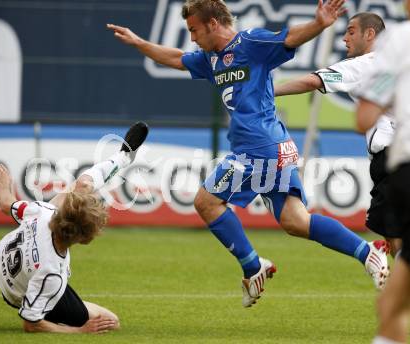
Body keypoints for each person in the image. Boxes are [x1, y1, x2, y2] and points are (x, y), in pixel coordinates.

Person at [107, 0, 389, 308]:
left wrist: (319, 24)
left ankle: (253, 266)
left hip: (259, 147)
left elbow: (288, 38)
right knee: (296, 221)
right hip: (273, 145)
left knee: (206, 201)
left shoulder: (251, 42)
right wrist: (139, 43)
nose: (192, 38)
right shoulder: (212, 59)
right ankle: (368, 252)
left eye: (194, 30)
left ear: (213, 24)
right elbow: (176, 59)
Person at [0, 122, 149, 333]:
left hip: (5, 257)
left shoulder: (42, 212)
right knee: (111, 321)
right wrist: (80, 330)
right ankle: (65, 308)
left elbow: (5, 203)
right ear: (85, 239)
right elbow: (31, 323)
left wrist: (3, 183)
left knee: (82, 186)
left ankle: (122, 158)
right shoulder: (53, 274)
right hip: (15, 291)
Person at [274, 12, 401, 257]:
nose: (344, 38)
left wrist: (266, 92)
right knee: (394, 234)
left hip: (393, 159)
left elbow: (313, 81)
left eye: (351, 31)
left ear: (370, 34)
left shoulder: (366, 64)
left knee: (397, 239)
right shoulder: (397, 61)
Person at [355, 3, 410, 343]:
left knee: (391, 308)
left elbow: (363, 117)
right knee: (392, 304)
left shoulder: (399, 41)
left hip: (404, 164)